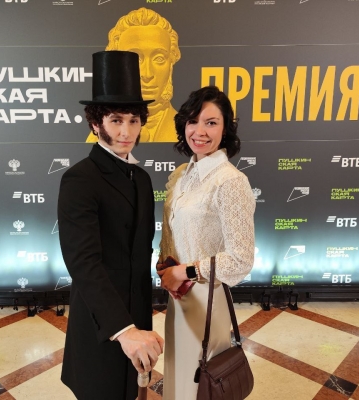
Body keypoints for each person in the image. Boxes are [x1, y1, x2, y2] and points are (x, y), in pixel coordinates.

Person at [58, 51, 164, 400]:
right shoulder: (80, 179)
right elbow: (83, 263)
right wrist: (123, 329)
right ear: (95, 123)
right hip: (101, 321)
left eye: (134, 120)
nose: (126, 131)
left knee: (132, 392)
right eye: (116, 120)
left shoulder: (143, 178)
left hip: (139, 313)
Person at [157, 86, 256, 399]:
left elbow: (241, 259)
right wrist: (167, 268)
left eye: (211, 123)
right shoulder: (183, 175)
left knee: (202, 387)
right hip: (179, 298)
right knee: (179, 381)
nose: (199, 131)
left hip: (207, 300)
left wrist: (184, 272)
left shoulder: (231, 181)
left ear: (225, 129)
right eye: (192, 121)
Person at [86, 7, 181, 143]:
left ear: (171, 64)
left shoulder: (185, 131)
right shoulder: (95, 140)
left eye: (158, 58)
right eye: (135, 60)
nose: (147, 74)